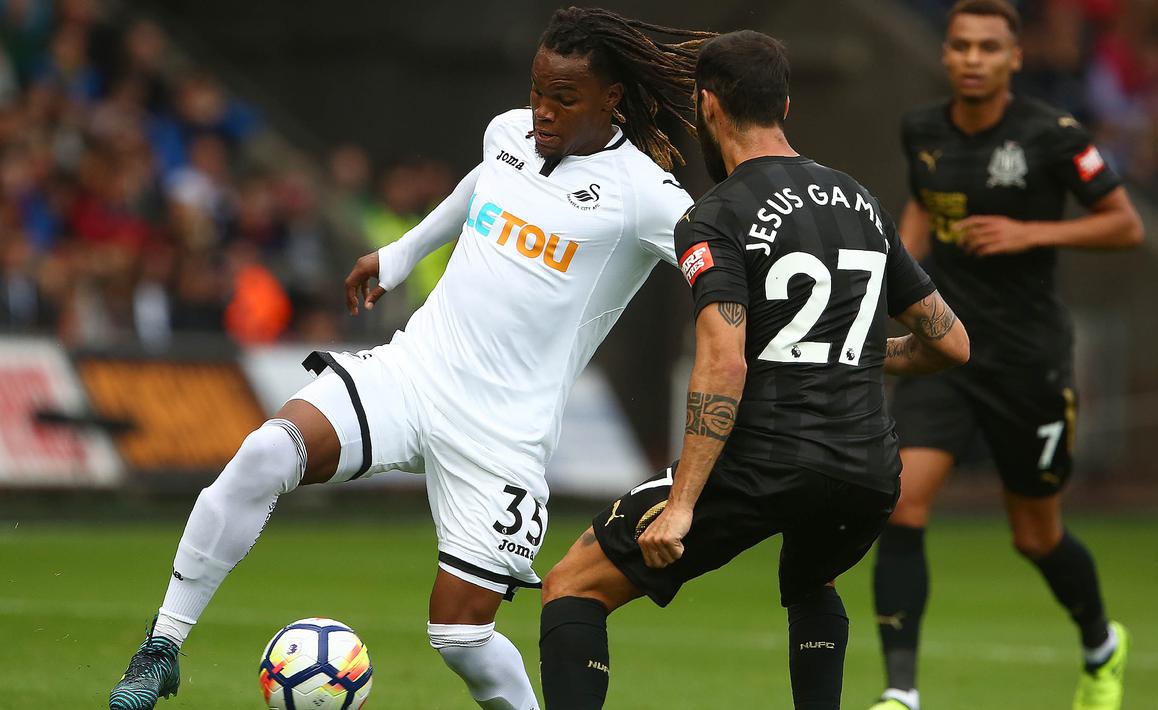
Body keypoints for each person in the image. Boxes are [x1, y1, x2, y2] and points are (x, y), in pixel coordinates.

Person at [107, 8, 713, 710]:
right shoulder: (508, 131)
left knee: (459, 637)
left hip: (502, 434)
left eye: (564, 99)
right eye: (537, 91)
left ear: (610, 99)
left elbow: (718, 272)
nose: (542, 111)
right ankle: (161, 649)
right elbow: (483, 184)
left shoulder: (644, 194)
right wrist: (399, 254)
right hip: (415, 371)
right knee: (265, 455)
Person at [536, 30, 970, 710]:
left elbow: (722, 358)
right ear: (785, 106)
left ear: (708, 107)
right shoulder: (861, 203)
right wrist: (856, 354)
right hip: (866, 471)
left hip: (768, 459)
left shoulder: (715, 215)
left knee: (572, 584)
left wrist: (681, 504)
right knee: (811, 582)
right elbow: (950, 345)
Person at [866, 3, 1144, 710]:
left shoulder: (1052, 136)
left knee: (1034, 536)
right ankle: (900, 693)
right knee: (900, 506)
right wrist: (897, 277)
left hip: (1028, 362)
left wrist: (1029, 234)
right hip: (945, 355)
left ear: (1014, 57)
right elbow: (923, 205)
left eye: (988, 47)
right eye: (959, 45)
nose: (971, 58)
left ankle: (1099, 644)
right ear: (946, 53)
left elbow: (1124, 224)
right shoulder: (919, 128)